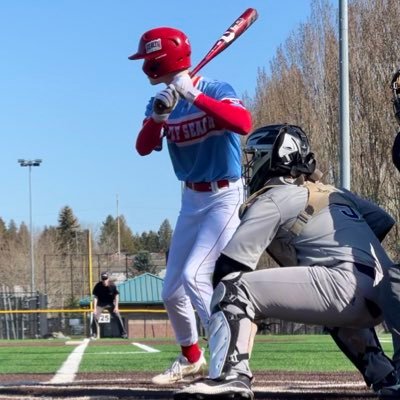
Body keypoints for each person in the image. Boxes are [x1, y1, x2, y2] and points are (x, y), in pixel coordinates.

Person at [174, 124, 400, 399]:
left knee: (232, 289)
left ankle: (231, 375)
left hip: (343, 287)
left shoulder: (273, 197)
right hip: (383, 290)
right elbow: (382, 221)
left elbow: (229, 268)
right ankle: (386, 376)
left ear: (277, 157)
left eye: (257, 155)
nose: (252, 163)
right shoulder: (334, 192)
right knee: (333, 302)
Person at [129, 27, 252, 384]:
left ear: (161, 59)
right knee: (170, 291)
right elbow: (142, 146)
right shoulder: (161, 100)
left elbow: (243, 123)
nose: (145, 66)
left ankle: (228, 361)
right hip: (191, 199)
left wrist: (194, 95)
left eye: (149, 59)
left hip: (224, 195)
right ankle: (191, 357)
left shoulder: (215, 89)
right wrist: (158, 117)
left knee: (196, 275)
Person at [91, 272, 127, 339]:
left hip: (110, 303)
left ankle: (123, 334)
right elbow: (95, 297)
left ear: (108, 279)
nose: (104, 280)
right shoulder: (98, 286)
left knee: (118, 316)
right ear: (101, 279)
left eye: (106, 279)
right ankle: (94, 334)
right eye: (103, 279)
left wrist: (116, 307)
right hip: (100, 304)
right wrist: (95, 308)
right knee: (95, 316)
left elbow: (116, 296)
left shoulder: (112, 285)